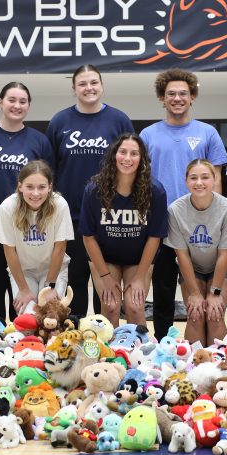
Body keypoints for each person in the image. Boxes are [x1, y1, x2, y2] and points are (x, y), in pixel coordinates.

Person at [140, 68, 227, 339]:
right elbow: (141, 182)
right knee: (164, 291)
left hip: (202, 225)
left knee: (201, 295)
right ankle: (165, 344)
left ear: (192, 98)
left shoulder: (208, 133)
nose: (177, 98)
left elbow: (216, 180)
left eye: (183, 94)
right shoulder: (148, 135)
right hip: (163, 224)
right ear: (162, 98)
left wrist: (219, 219)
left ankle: (211, 346)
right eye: (171, 94)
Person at [47, 64, 134, 318]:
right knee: (74, 283)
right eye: (83, 84)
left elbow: (132, 164)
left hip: (109, 219)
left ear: (102, 86)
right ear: (74, 89)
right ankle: (72, 340)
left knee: (104, 286)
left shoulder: (119, 120)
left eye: (94, 82)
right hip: (70, 218)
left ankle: (102, 338)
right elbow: (49, 170)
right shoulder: (60, 122)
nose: (89, 88)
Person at [0, 82, 54, 322]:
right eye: (11, 100)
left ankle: (22, 341)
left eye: (23, 101)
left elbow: (48, 186)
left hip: (26, 229)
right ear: (0, 102)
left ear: (28, 106)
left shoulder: (39, 141)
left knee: (23, 293)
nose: (17, 105)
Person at [80, 133, 168, 328]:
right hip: (105, 258)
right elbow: (88, 236)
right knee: (110, 305)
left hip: (138, 260)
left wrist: (139, 278)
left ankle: (139, 354)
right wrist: (105, 277)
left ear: (142, 159)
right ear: (114, 155)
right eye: (123, 152)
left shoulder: (156, 191)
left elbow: (155, 238)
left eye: (134, 154)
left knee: (135, 305)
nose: (127, 158)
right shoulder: (94, 190)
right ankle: (109, 355)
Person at [165, 159, 227, 344]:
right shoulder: (175, 210)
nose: (199, 182)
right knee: (195, 315)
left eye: (205, 177)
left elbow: (225, 255)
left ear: (214, 180)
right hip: (193, 268)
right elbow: (181, 255)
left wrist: (214, 293)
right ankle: (193, 367)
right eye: (193, 178)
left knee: (214, 315)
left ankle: (220, 367)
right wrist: (194, 293)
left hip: (221, 266)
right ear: (186, 181)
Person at [0, 160, 73, 314]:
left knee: (51, 316)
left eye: (42, 187)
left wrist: (50, 287)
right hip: (24, 272)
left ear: (50, 187)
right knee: (28, 318)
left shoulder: (60, 205)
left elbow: (60, 248)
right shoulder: (7, 207)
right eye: (29, 187)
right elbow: (9, 251)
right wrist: (23, 290)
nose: (35, 193)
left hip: (52, 270)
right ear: (20, 186)